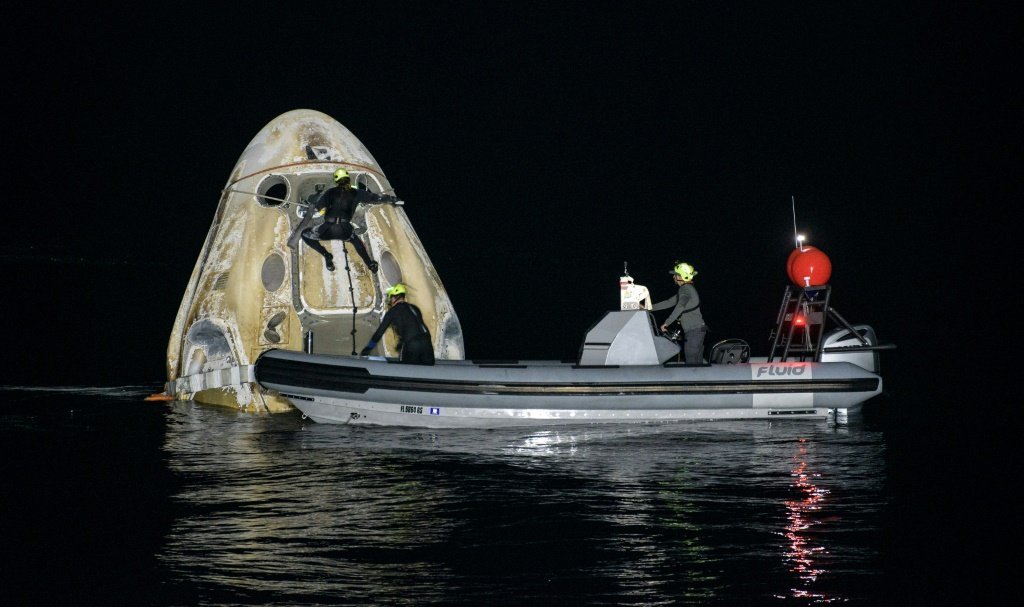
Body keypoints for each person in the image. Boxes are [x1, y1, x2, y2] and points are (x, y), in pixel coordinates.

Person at [299, 168, 398, 273]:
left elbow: (317, 208)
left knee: (305, 234)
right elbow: (375, 198)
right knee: (356, 241)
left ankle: (326, 255)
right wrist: (392, 199)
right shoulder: (357, 193)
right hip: (345, 231)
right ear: (348, 179)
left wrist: (309, 206)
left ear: (336, 181)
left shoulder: (330, 192)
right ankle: (370, 264)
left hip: (327, 229)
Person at [360, 283, 435, 365]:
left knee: (405, 369)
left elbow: (379, 333)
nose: (390, 301)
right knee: (427, 368)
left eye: (391, 298)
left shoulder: (393, 312)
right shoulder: (414, 308)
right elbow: (415, 327)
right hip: (427, 343)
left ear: (394, 298)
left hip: (412, 344)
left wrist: (368, 348)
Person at [651, 261, 707, 364]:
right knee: (697, 364)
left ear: (681, 276)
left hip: (694, 332)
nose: (673, 277)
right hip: (697, 331)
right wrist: (648, 308)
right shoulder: (688, 289)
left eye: (675, 275)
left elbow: (680, 306)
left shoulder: (685, 289)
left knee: (692, 364)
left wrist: (667, 322)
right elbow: (669, 302)